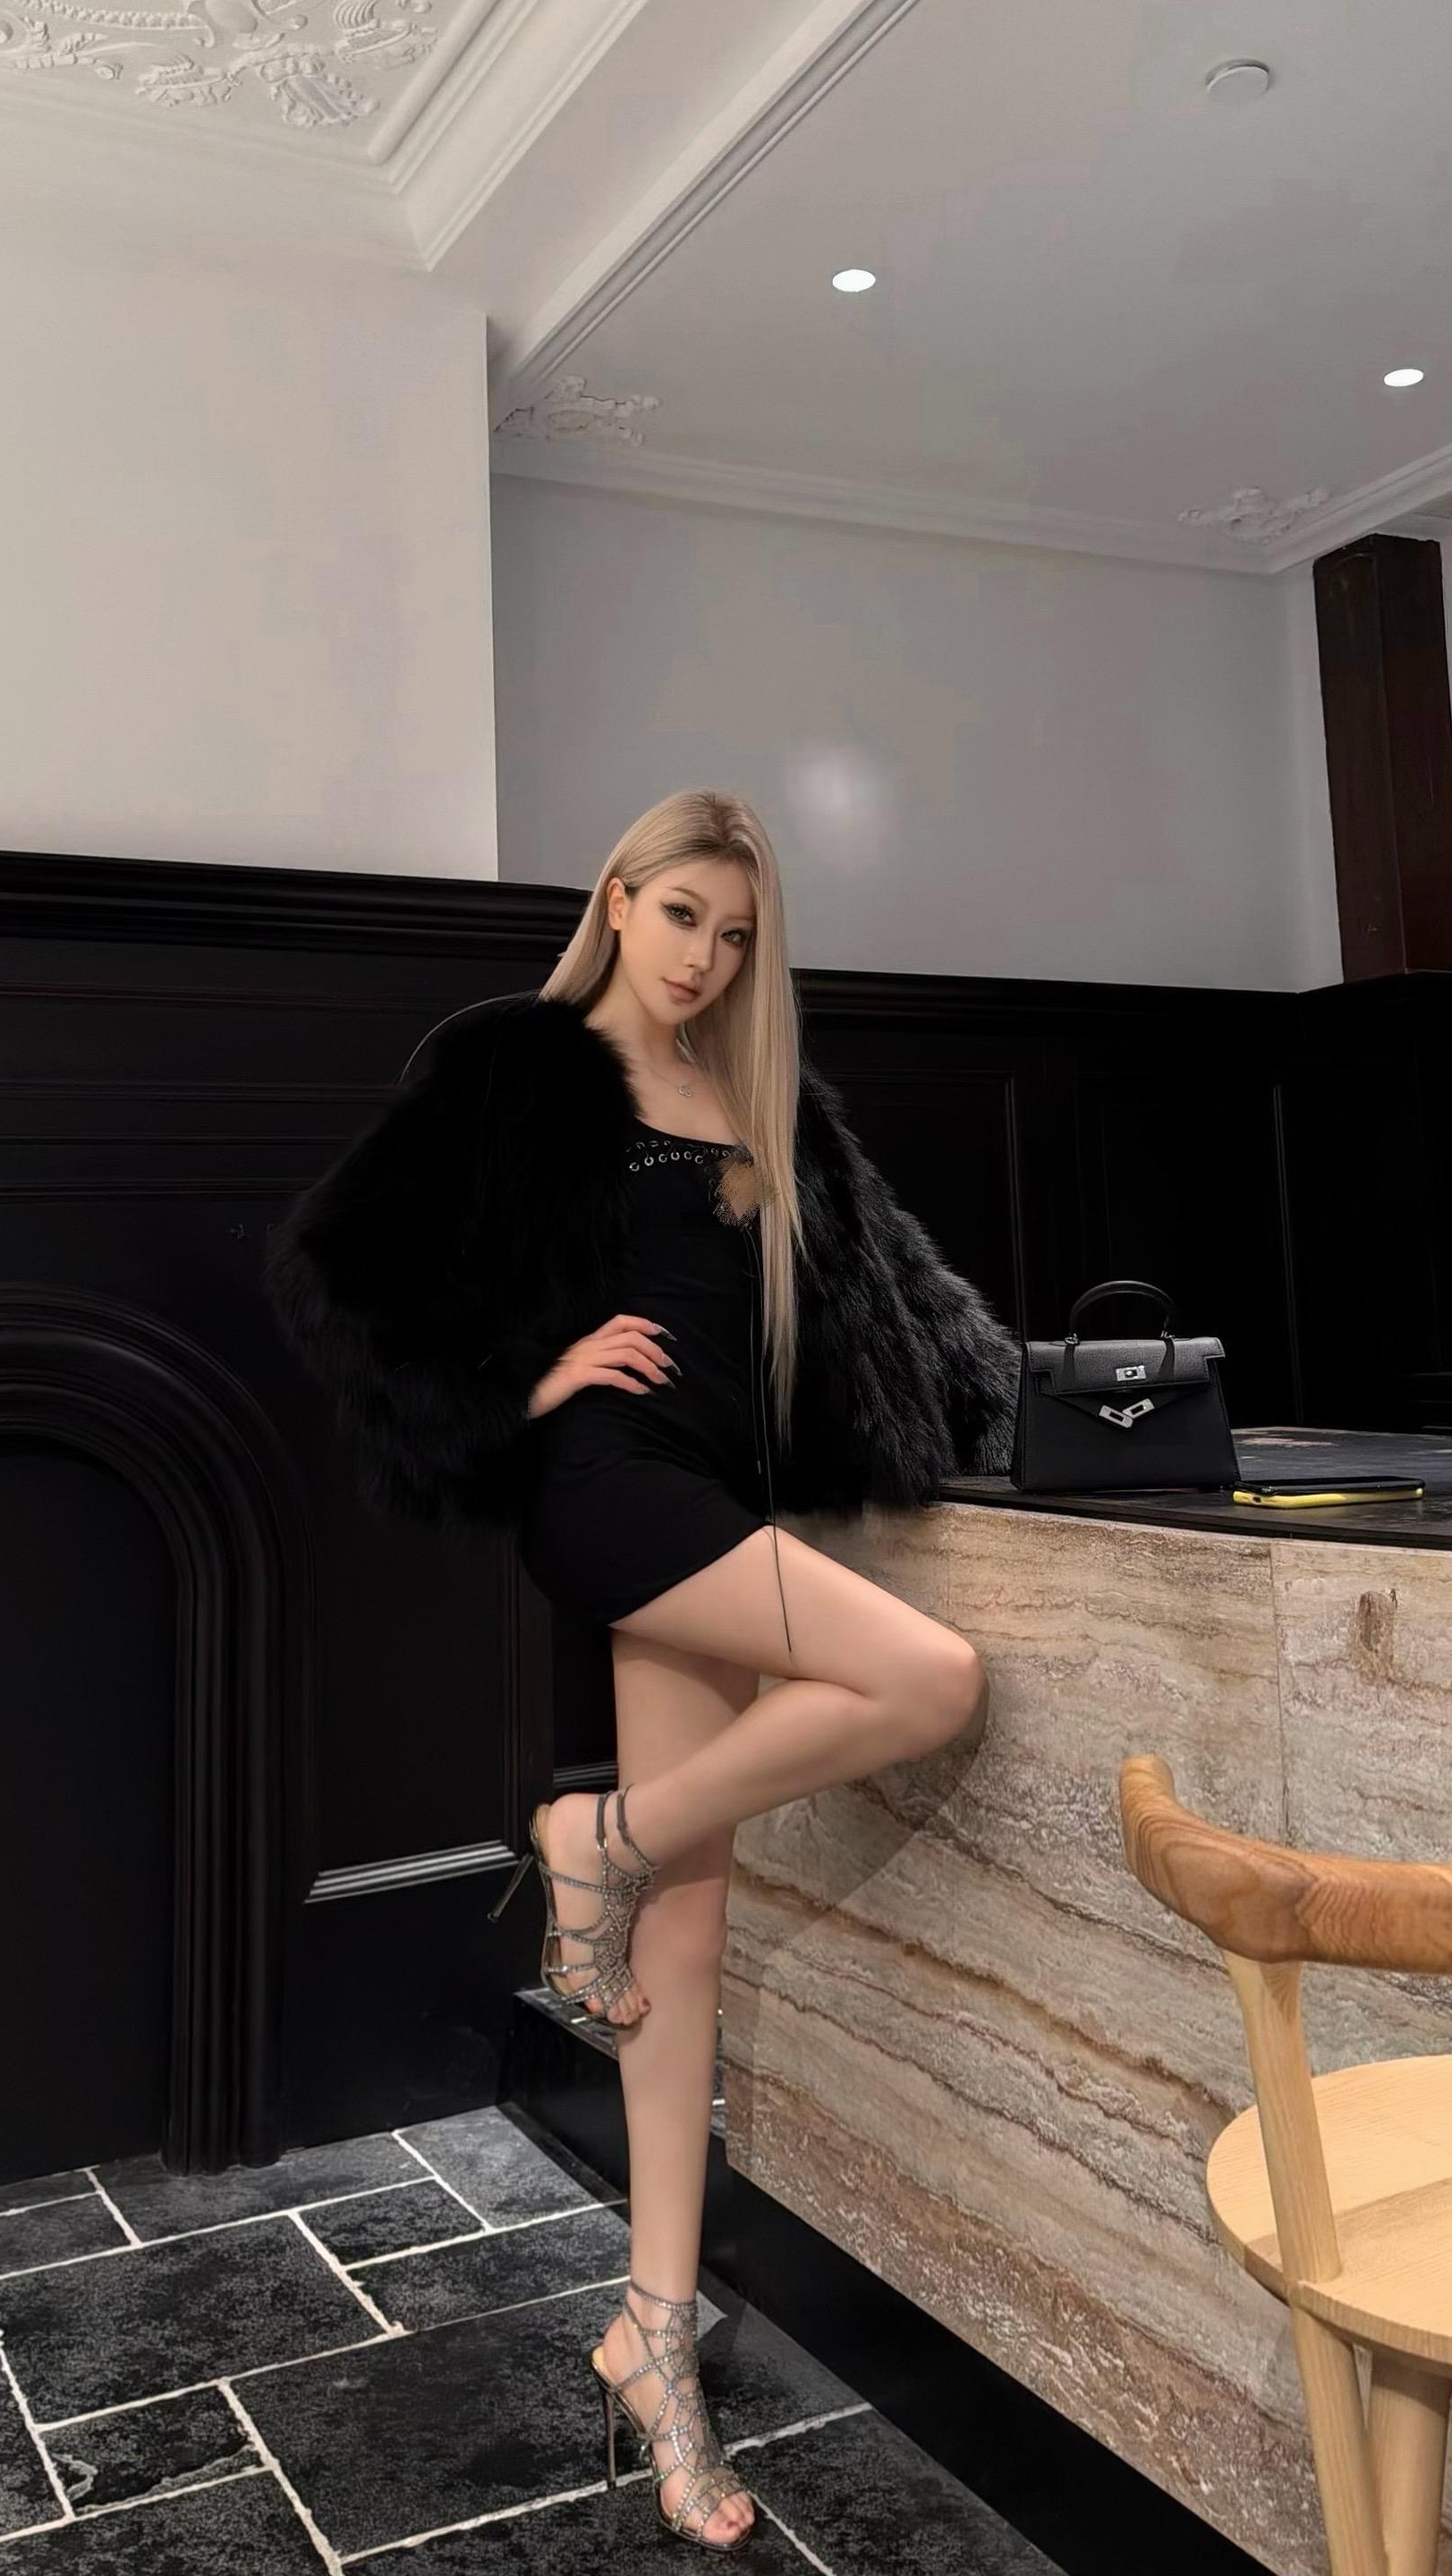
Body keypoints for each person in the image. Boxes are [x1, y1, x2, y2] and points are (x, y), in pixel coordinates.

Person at [264, 787, 1021, 2552]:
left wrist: (1034, 1401)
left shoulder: (763, 1100)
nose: (705, 959)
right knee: (927, 1681)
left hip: (722, 1495)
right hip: (612, 1490)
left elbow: (903, 1310)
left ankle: (655, 2344)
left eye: (736, 936)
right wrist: (515, 1389)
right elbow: (333, 1272)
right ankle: (594, 1839)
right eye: (682, 915)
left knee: (688, 1941)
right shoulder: (515, 1070)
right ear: (618, 899)